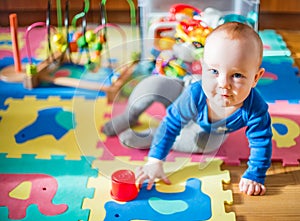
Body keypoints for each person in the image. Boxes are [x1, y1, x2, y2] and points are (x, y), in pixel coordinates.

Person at [135, 22, 273, 196]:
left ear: (256, 78)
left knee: (208, 144)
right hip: (186, 101)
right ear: (203, 67)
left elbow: (261, 141)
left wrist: (255, 174)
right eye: (214, 71)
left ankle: (150, 136)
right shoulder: (195, 94)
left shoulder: (256, 109)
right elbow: (171, 123)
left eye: (237, 75)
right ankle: (136, 126)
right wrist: (154, 161)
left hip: (210, 128)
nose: (223, 84)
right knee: (154, 95)